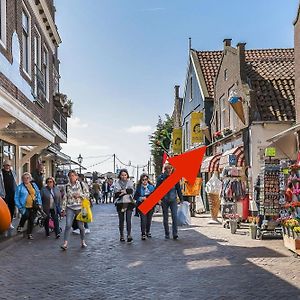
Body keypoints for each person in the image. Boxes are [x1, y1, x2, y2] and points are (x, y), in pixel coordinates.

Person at [61, 170, 90, 250]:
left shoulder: (82, 184)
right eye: (70, 175)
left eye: (73, 175)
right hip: (70, 207)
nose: (72, 177)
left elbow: (87, 195)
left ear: (76, 176)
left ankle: (83, 241)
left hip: (80, 207)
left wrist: (80, 195)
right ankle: (65, 243)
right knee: (68, 225)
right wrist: (63, 209)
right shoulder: (66, 186)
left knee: (81, 226)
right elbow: (65, 198)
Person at [157, 163, 183, 240]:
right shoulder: (161, 178)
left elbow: (178, 189)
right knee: (165, 218)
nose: (169, 170)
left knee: (174, 217)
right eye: (167, 168)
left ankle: (175, 234)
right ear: (165, 169)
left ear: (172, 169)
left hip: (173, 200)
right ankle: (167, 234)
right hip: (164, 200)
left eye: (170, 168)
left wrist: (181, 199)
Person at [14, 172, 42, 239]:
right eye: (24, 178)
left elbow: (38, 194)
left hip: (34, 205)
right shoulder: (19, 187)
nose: (26, 179)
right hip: (24, 206)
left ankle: (29, 234)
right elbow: (16, 197)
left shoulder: (34, 185)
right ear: (22, 179)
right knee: (25, 215)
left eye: (27, 178)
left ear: (30, 178)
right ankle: (20, 225)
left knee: (31, 220)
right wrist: (19, 206)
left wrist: (39, 203)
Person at [114, 169, 135, 243]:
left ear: (127, 175)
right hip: (120, 203)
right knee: (121, 220)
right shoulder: (117, 183)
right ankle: (121, 235)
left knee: (128, 219)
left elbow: (131, 191)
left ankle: (129, 235)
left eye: (125, 175)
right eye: (122, 175)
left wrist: (123, 191)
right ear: (120, 175)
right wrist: (125, 191)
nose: (123, 176)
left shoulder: (130, 182)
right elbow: (116, 193)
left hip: (129, 203)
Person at [134, 174, 155, 240]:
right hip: (142, 204)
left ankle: (148, 231)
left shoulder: (152, 187)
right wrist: (140, 198)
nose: (144, 181)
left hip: (150, 204)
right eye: (143, 180)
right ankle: (143, 233)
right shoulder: (139, 187)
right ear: (141, 180)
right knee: (143, 219)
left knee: (149, 219)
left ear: (148, 180)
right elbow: (135, 197)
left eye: (146, 179)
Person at [0, 160, 17, 228]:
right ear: (3, 166)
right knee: (2, 210)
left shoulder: (13, 173)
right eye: (6, 165)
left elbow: (15, 183)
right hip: (3, 194)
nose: (7, 167)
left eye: (9, 165)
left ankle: (9, 222)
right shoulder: (0, 173)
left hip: (12, 194)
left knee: (11, 208)